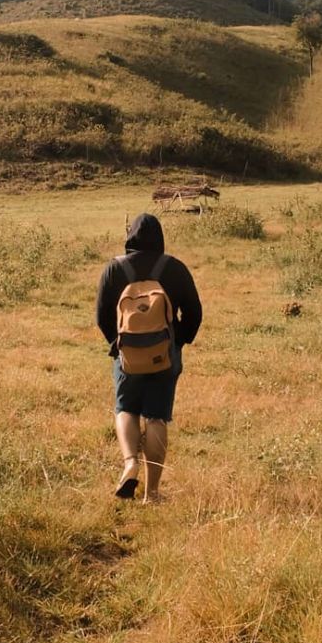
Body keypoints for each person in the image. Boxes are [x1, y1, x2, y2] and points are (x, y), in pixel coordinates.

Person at [95, 212, 202, 503]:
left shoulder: (114, 269)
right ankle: (152, 493)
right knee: (156, 416)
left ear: (130, 236)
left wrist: (117, 344)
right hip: (165, 354)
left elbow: (102, 315)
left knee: (126, 408)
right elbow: (194, 312)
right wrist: (177, 341)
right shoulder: (175, 268)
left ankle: (130, 464)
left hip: (126, 353)